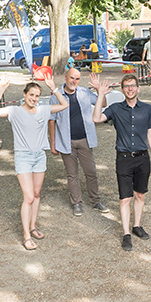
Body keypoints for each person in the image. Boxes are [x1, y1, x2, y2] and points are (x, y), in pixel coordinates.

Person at [0, 76, 68, 250]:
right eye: (31, 94)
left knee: (37, 194)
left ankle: (33, 227)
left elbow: (64, 105)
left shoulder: (42, 110)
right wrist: (2, 89)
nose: (34, 98)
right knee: (29, 197)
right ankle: (26, 236)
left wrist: (53, 88)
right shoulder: (15, 111)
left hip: (40, 156)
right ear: (24, 94)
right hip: (23, 157)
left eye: (37, 95)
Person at [92, 73, 151, 251]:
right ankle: (126, 234)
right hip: (123, 159)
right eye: (126, 86)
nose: (130, 89)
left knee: (140, 195)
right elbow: (96, 119)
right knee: (125, 198)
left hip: (143, 158)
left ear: (138, 88)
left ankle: (137, 226)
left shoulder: (146, 109)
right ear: (122, 90)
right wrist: (100, 95)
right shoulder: (115, 109)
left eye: (132, 85)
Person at [49, 68, 109, 216]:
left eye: (77, 79)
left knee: (91, 172)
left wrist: (99, 91)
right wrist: (53, 144)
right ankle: (76, 203)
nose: (74, 81)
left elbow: (103, 104)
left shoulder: (84, 92)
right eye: (71, 78)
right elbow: (52, 122)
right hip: (66, 142)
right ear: (65, 77)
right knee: (72, 175)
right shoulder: (56, 96)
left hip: (85, 141)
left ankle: (95, 201)